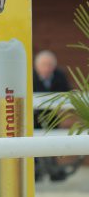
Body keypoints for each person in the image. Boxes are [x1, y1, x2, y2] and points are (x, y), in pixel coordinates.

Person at [32, 49, 72, 181]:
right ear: (36, 66)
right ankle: (35, 171)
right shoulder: (30, 76)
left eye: (49, 65)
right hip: (34, 115)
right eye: (43, 64)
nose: (46, 68)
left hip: (53, 115)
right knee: (34, 142)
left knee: (54, 141)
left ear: (54, 66)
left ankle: (54, 171)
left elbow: (67, 95)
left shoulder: (60, 75)